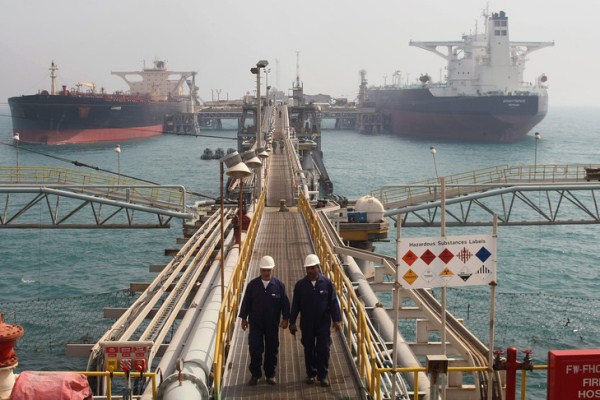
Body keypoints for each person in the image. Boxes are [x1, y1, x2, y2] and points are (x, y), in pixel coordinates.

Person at [289, 254, 342, 387]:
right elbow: (295, 305)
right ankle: (311, 374)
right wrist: (292, 322)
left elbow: (333, 302)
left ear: (318, 268)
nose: (310, 271)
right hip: (307, 323)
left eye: (313, 268)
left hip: (323, 322)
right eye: (308, 268)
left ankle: (322, 375)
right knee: (308, 347)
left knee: (323, 348)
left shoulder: (327, 283)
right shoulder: (300, 285)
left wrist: (336, 319)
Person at [239, 255, 290, 386]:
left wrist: (286, 318)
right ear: (260, 270)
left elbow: (285, 303)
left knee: (272, 348)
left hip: (272, 324)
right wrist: (244, 318)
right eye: (264, 270)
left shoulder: (279, 286)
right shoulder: (252, 285)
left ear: (272, 270)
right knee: (255, 348)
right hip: (255, 324)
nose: (266, 273)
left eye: (268, 270)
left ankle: (270, 374)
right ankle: (255, 374)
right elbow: (246, 303)